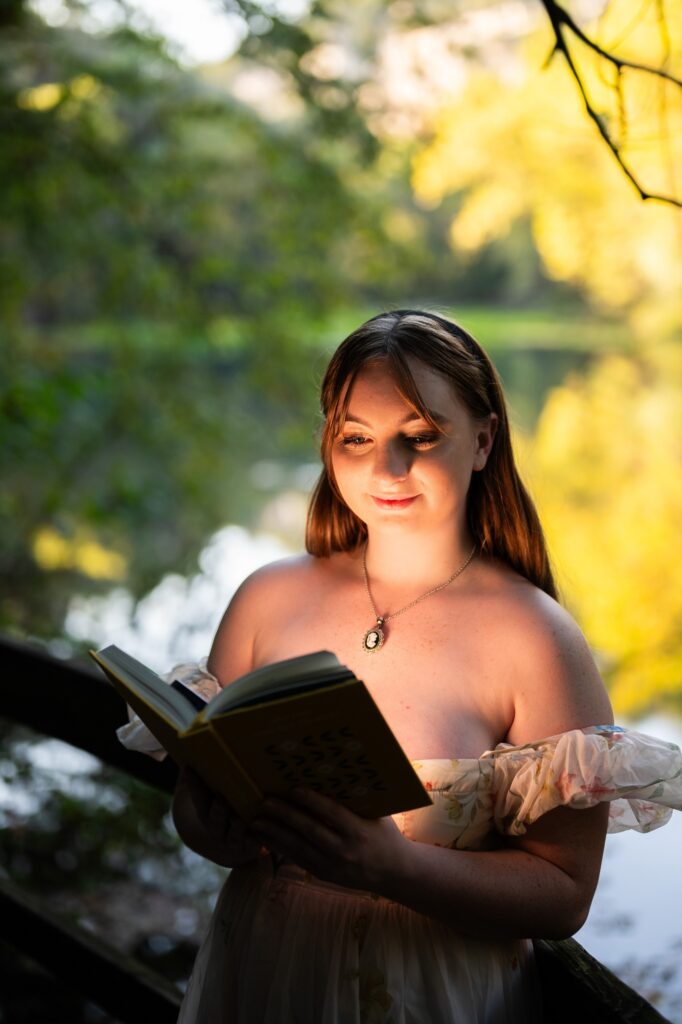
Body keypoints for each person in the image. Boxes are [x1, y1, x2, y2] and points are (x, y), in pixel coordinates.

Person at [122, 310, 682, 1023]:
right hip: (261, 967)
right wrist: (211, 823)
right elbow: (200, 817)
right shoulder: (267, 598)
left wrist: (394, 867)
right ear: (330, 443)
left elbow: (564, 896)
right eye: (357, 438)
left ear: (482, 441)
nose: (386, 468)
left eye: (419, 437)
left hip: (429, 991)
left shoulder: (537, 638)